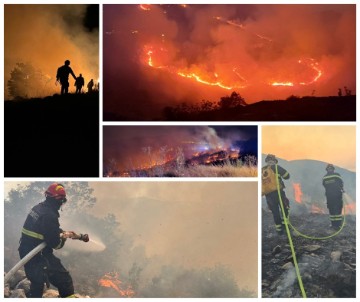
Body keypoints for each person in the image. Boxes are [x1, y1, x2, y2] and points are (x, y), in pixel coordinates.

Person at [18, 183, 88, 298]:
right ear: (59, 200)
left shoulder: (38, 208)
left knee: (37, 283)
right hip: (39, 255)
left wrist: (59, 231)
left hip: (26, 251)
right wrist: (63, 238)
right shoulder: (50, 215)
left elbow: (43, 228)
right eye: (62, 201)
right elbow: (55, 244)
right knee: (65, 281)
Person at [262, 154, 290, 235]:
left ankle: (279, 230)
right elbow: (287, 176)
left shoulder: (262, 170)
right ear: (274, 161)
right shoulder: (277, 167)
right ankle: (286, 226)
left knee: (275, 212)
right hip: (278, 192)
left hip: (268, 195)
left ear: (266, 161)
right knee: (285, 207)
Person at [322, 164, 344, 230]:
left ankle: (335, 225)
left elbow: (324, 185)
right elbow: (341, 183)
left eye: (330, 168)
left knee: (333, 210)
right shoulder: (337, 175)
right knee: (335, 209)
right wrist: (341, 189)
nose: (330, 169)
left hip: (330, 196)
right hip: (337, 195)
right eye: (329, 168)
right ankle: (336, 225)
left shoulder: (325, 177)